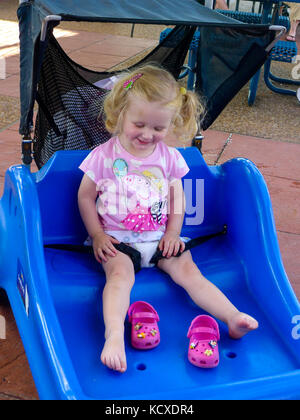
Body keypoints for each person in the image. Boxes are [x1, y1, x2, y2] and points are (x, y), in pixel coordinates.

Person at [77, 64, 258, 373]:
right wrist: (97, 235)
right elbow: (85, 196)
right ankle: (114, 336)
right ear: (120, 113)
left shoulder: (169, 157)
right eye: (140, 124)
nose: (148, 134)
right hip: (118, 241)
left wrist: (173, 232)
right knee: (120, 278)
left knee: (192, 275)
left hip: (161, 237)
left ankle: (231, 317)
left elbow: (177, 197)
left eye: (158, 128)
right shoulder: (104, 156)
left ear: (170, 125)